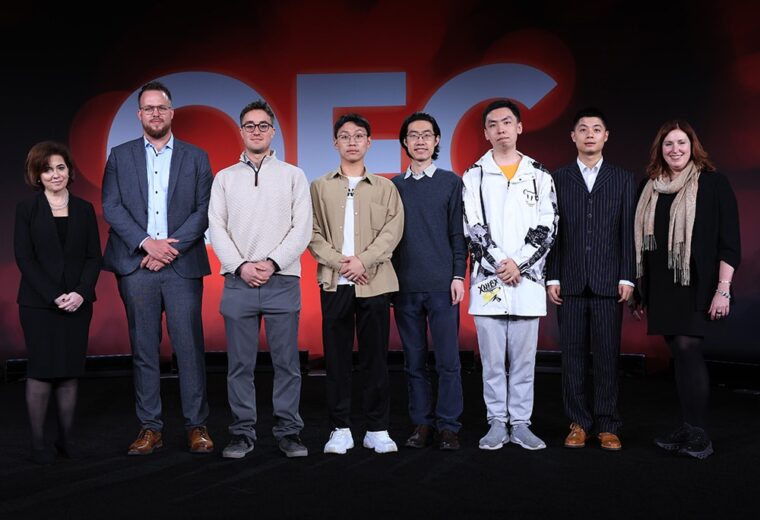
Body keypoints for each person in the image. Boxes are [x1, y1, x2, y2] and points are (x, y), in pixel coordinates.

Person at [102, 80, 214, 455]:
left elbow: (203, 211)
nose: (155, 113)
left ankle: (196, 426)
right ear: (139, 115)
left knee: (189, 348)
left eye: (161, 107)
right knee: (144, 348)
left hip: (181, 266)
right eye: (148, 108)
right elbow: (112, 206)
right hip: (136, 265)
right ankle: (150, 427)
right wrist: (147, 244)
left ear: (171, 112)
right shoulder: (119, 156)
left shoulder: (196, 157)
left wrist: (169, 249)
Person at [208, 100, 312, 459]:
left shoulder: (293, 175)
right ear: (241, 132)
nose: (256, 130)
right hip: (238, 282)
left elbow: (303, 228)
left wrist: (271, 261)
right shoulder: (224, 178)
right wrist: (240, 266)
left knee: (287, 364)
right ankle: (242, 433)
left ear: (272, 132)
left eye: (263, 125)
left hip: (281, 280)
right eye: (250, 125)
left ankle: (289, 432)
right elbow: (216, 228)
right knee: (239, 366)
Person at [634, 120, 740, 459]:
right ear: (660, 150)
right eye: (668, 144)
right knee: (678, 356)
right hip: (664, 288)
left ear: (693, 146)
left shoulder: (714, 184)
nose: (675, 149)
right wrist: (641, 291)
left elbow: (730, 243)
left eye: (681, 143)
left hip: (699, 285)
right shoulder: (649, 187)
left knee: (688, 348)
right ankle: (687, 426)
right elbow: (642, 245)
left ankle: (699, 435)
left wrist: (723, 289)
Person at [462, 99, 557, 451]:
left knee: (523, 361)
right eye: (493, 124)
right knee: (491, 361)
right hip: (490, 279)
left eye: (507, 122)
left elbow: (548, 226)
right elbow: (473, 226)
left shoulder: (540, 174)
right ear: (486, 133)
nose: (501, 129)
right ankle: (496, 423)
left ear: (519, 128)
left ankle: (521, 423)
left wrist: (520, 264)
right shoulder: (473, 175)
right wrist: (502, 263)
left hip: (527, 280)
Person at [309, 113, 404, 455]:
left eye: (358, 136)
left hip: (374, 281)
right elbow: (313, 233)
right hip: (335, 283)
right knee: (336, 359)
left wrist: (363, 260)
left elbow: (393, 231)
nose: (352, 141)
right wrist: (342, 264)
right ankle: (340, 428)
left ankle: (377, 428)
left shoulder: (386, 187)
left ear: (369, 143)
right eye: (345, 136)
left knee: (375, 359)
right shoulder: (319, 186)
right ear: (335, 143)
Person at [546, 108, 635, 451]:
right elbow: (553, 231)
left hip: (608, 280)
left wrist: (627, 275)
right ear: (573, 136)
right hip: (567, 281)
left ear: (606, 135)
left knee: (607, 356)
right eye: (582, 129)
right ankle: (578, 422)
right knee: (572, 356)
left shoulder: (623, 178)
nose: (589, 135)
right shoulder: (557, 178)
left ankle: (608, 424)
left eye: (596, 129)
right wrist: (551, 276)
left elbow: (627, 231)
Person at [14, 141, 102, 464]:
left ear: (69, 171)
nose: (55, 174)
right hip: (38, 305)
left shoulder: (84, 209)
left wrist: (80, 292)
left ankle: (66, 442)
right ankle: (37, 446)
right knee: (40, 371)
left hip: (78, 304)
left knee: (68, 372)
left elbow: (94, 256)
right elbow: (25, 259)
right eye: (48, 169)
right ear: (37, 175)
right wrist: (54, 295)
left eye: (60, 167)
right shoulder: (27, 211)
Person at [391, 112, 466, 451]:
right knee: (414, 361)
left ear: (437, 141)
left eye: (426, 135)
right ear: (404, 142)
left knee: (448, 361)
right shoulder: (394, 185)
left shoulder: (451, 182)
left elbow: (457, 233)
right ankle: (421, 423)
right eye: (413, 135)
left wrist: (457, 274)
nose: (420, 140)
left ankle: (449, 426)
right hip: (404, 286)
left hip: (441, 285)